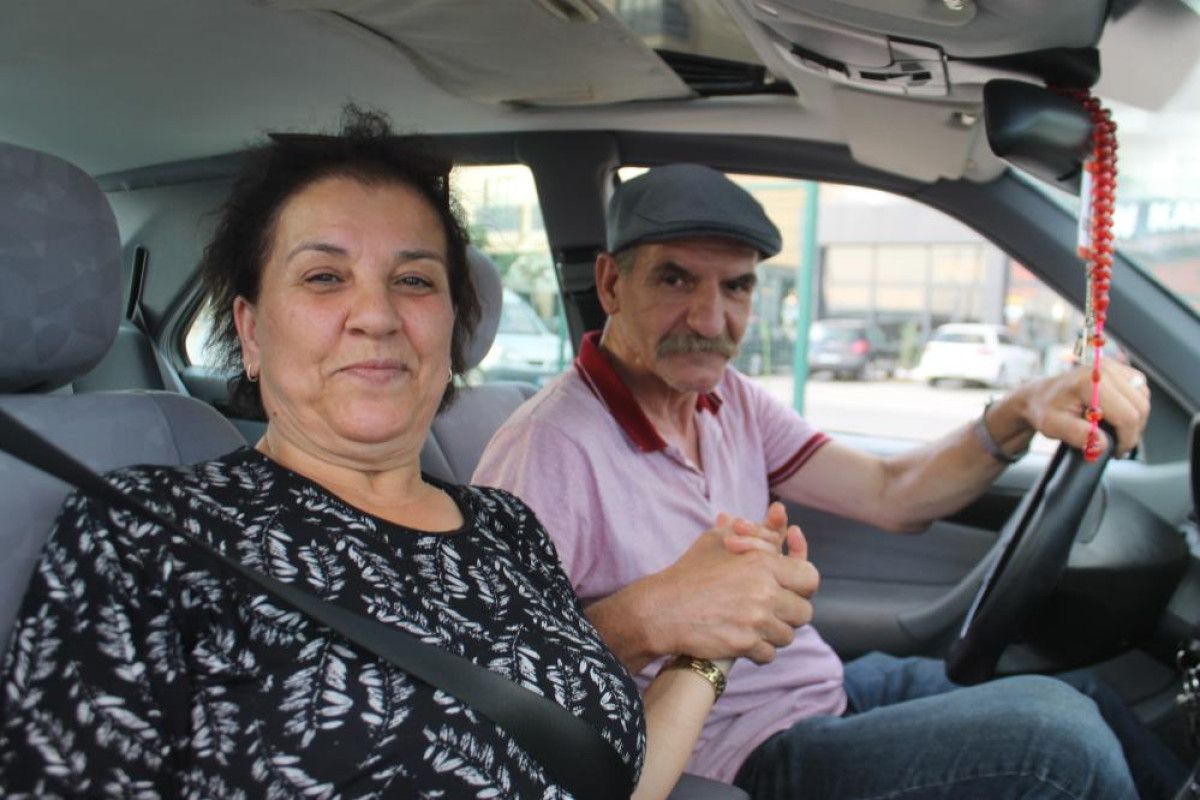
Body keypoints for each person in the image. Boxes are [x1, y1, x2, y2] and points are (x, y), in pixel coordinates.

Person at [0, 117, 790, 799]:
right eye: (324, 277)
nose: (376, 315)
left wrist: (707, 647)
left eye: (413, 280)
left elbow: (610, 778)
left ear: (452, 327)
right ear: (250, 330)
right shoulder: (146, 530)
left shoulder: (508, 528)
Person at [474, 163, 1184, 799]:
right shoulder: (547, 447)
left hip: (821, 688)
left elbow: (891, 493)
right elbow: (492, 667)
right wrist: (654, 614)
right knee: (1057, 741)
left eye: (736, 285)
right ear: (610, 284)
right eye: (674, 279)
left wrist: (1019, 411)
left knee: (1085, 696)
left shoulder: (729, 400)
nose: (710, 319)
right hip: (732, 754)